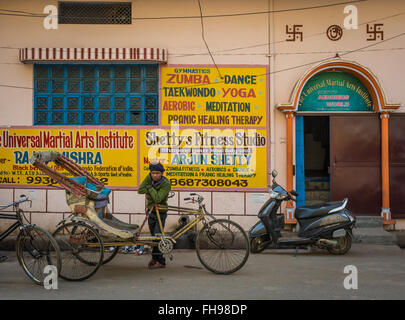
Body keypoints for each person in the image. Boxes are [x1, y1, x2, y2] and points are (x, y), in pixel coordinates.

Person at [138, 162, 171, 269]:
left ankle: (161, 261)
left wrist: (150, 188)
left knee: (157, 236)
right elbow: (140, 190)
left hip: (160, 211)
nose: (155, 175)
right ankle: (155, 258)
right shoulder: (149, 178)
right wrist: (149, 187)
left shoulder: (166, 183)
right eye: (153, 173)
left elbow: (157, 198)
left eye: (157, 173)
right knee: (154, 237)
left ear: (161, 173)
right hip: (151, 211)